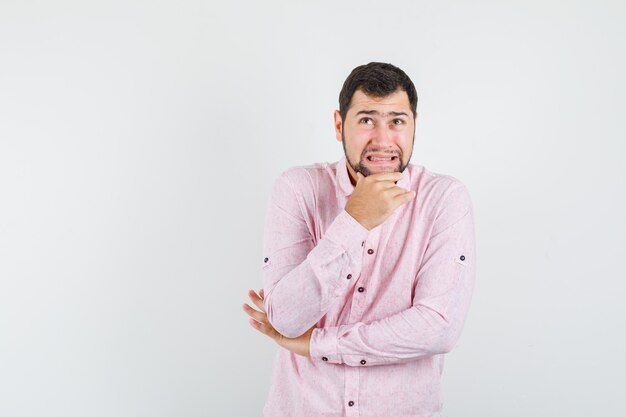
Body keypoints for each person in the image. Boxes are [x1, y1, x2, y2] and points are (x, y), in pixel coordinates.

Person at [242, 62, 476, 417]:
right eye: (367, 119)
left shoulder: (444, 199)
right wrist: (354, 221)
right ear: (339, 125)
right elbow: (286, 319)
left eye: (397, 121)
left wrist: (317, 344)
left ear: (414, 126)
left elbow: (437, 328)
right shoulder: (297, 189)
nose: (383, 140)